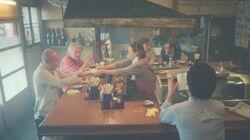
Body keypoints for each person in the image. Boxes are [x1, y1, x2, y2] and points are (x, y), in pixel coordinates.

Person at [160, 63, 225, 140]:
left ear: (188, 85)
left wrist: (170, 93)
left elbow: (162, 116)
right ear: (214, 86)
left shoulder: (178, 110)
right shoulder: (220, 107)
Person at [33, 49, 86, 139]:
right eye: (55, 61)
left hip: (55, 103)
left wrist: (79, 73)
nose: (58, 63)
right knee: (54, 135)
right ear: (47, 62)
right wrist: (77, 79)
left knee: (75, 114)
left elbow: (66, 76)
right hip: (45, 108)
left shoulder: (53, 68)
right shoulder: (41, 72)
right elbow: (60, 83)